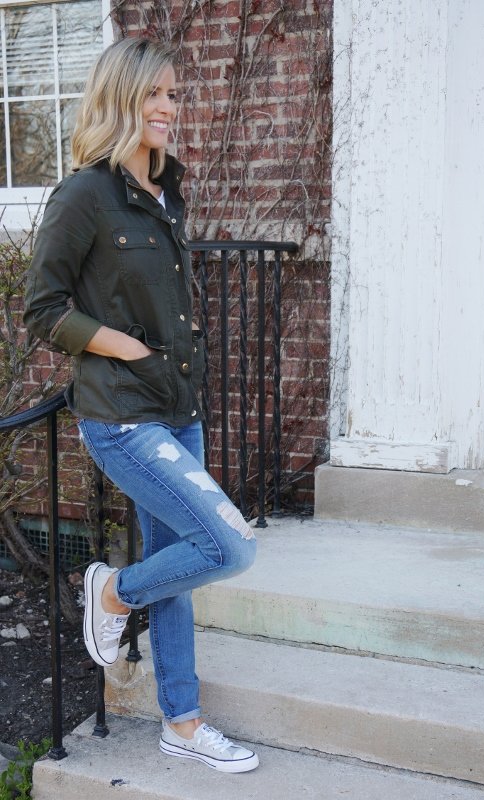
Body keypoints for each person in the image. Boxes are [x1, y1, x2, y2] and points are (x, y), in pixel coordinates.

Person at [23, 37, 259, 774]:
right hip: (123, 418)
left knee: (181, 562)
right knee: (230, 545)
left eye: (174, 95)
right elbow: (42, 309)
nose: (167, 109)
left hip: (177, 408)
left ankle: (181, 723)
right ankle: (113, 593)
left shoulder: (164, 191)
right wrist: (124, 348)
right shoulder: (84, 195)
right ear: (121, 98)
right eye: (154, 94)